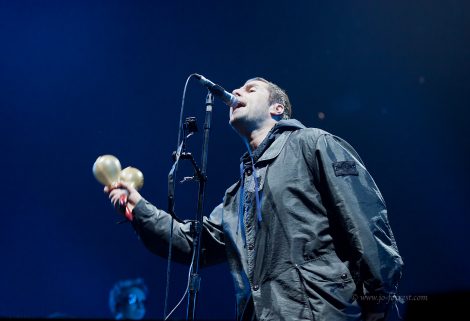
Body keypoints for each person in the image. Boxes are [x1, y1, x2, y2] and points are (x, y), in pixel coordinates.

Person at [105, 77, 404, 321]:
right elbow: (192, 244)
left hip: (326, 311)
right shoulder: (237, 196)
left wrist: (377, 302)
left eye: (251, 88)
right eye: (239, 88)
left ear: (277, 108)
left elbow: (365, 219)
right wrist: (138, 208)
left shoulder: (313, 143)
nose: (235, 92)